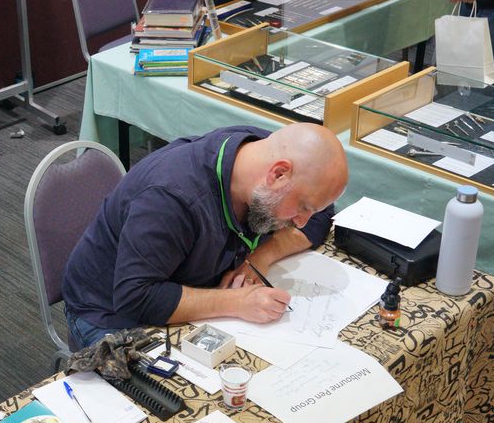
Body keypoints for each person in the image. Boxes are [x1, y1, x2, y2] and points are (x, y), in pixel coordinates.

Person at [62, 123, 348, 351]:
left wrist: (259, 257)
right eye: (302, 208)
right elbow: (136, 297)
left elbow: (323, 214)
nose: (301, 222)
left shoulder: (259, 151)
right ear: (278, 174)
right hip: (108, 313)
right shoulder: (170, 199)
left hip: (183, 284)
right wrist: (237, 302)